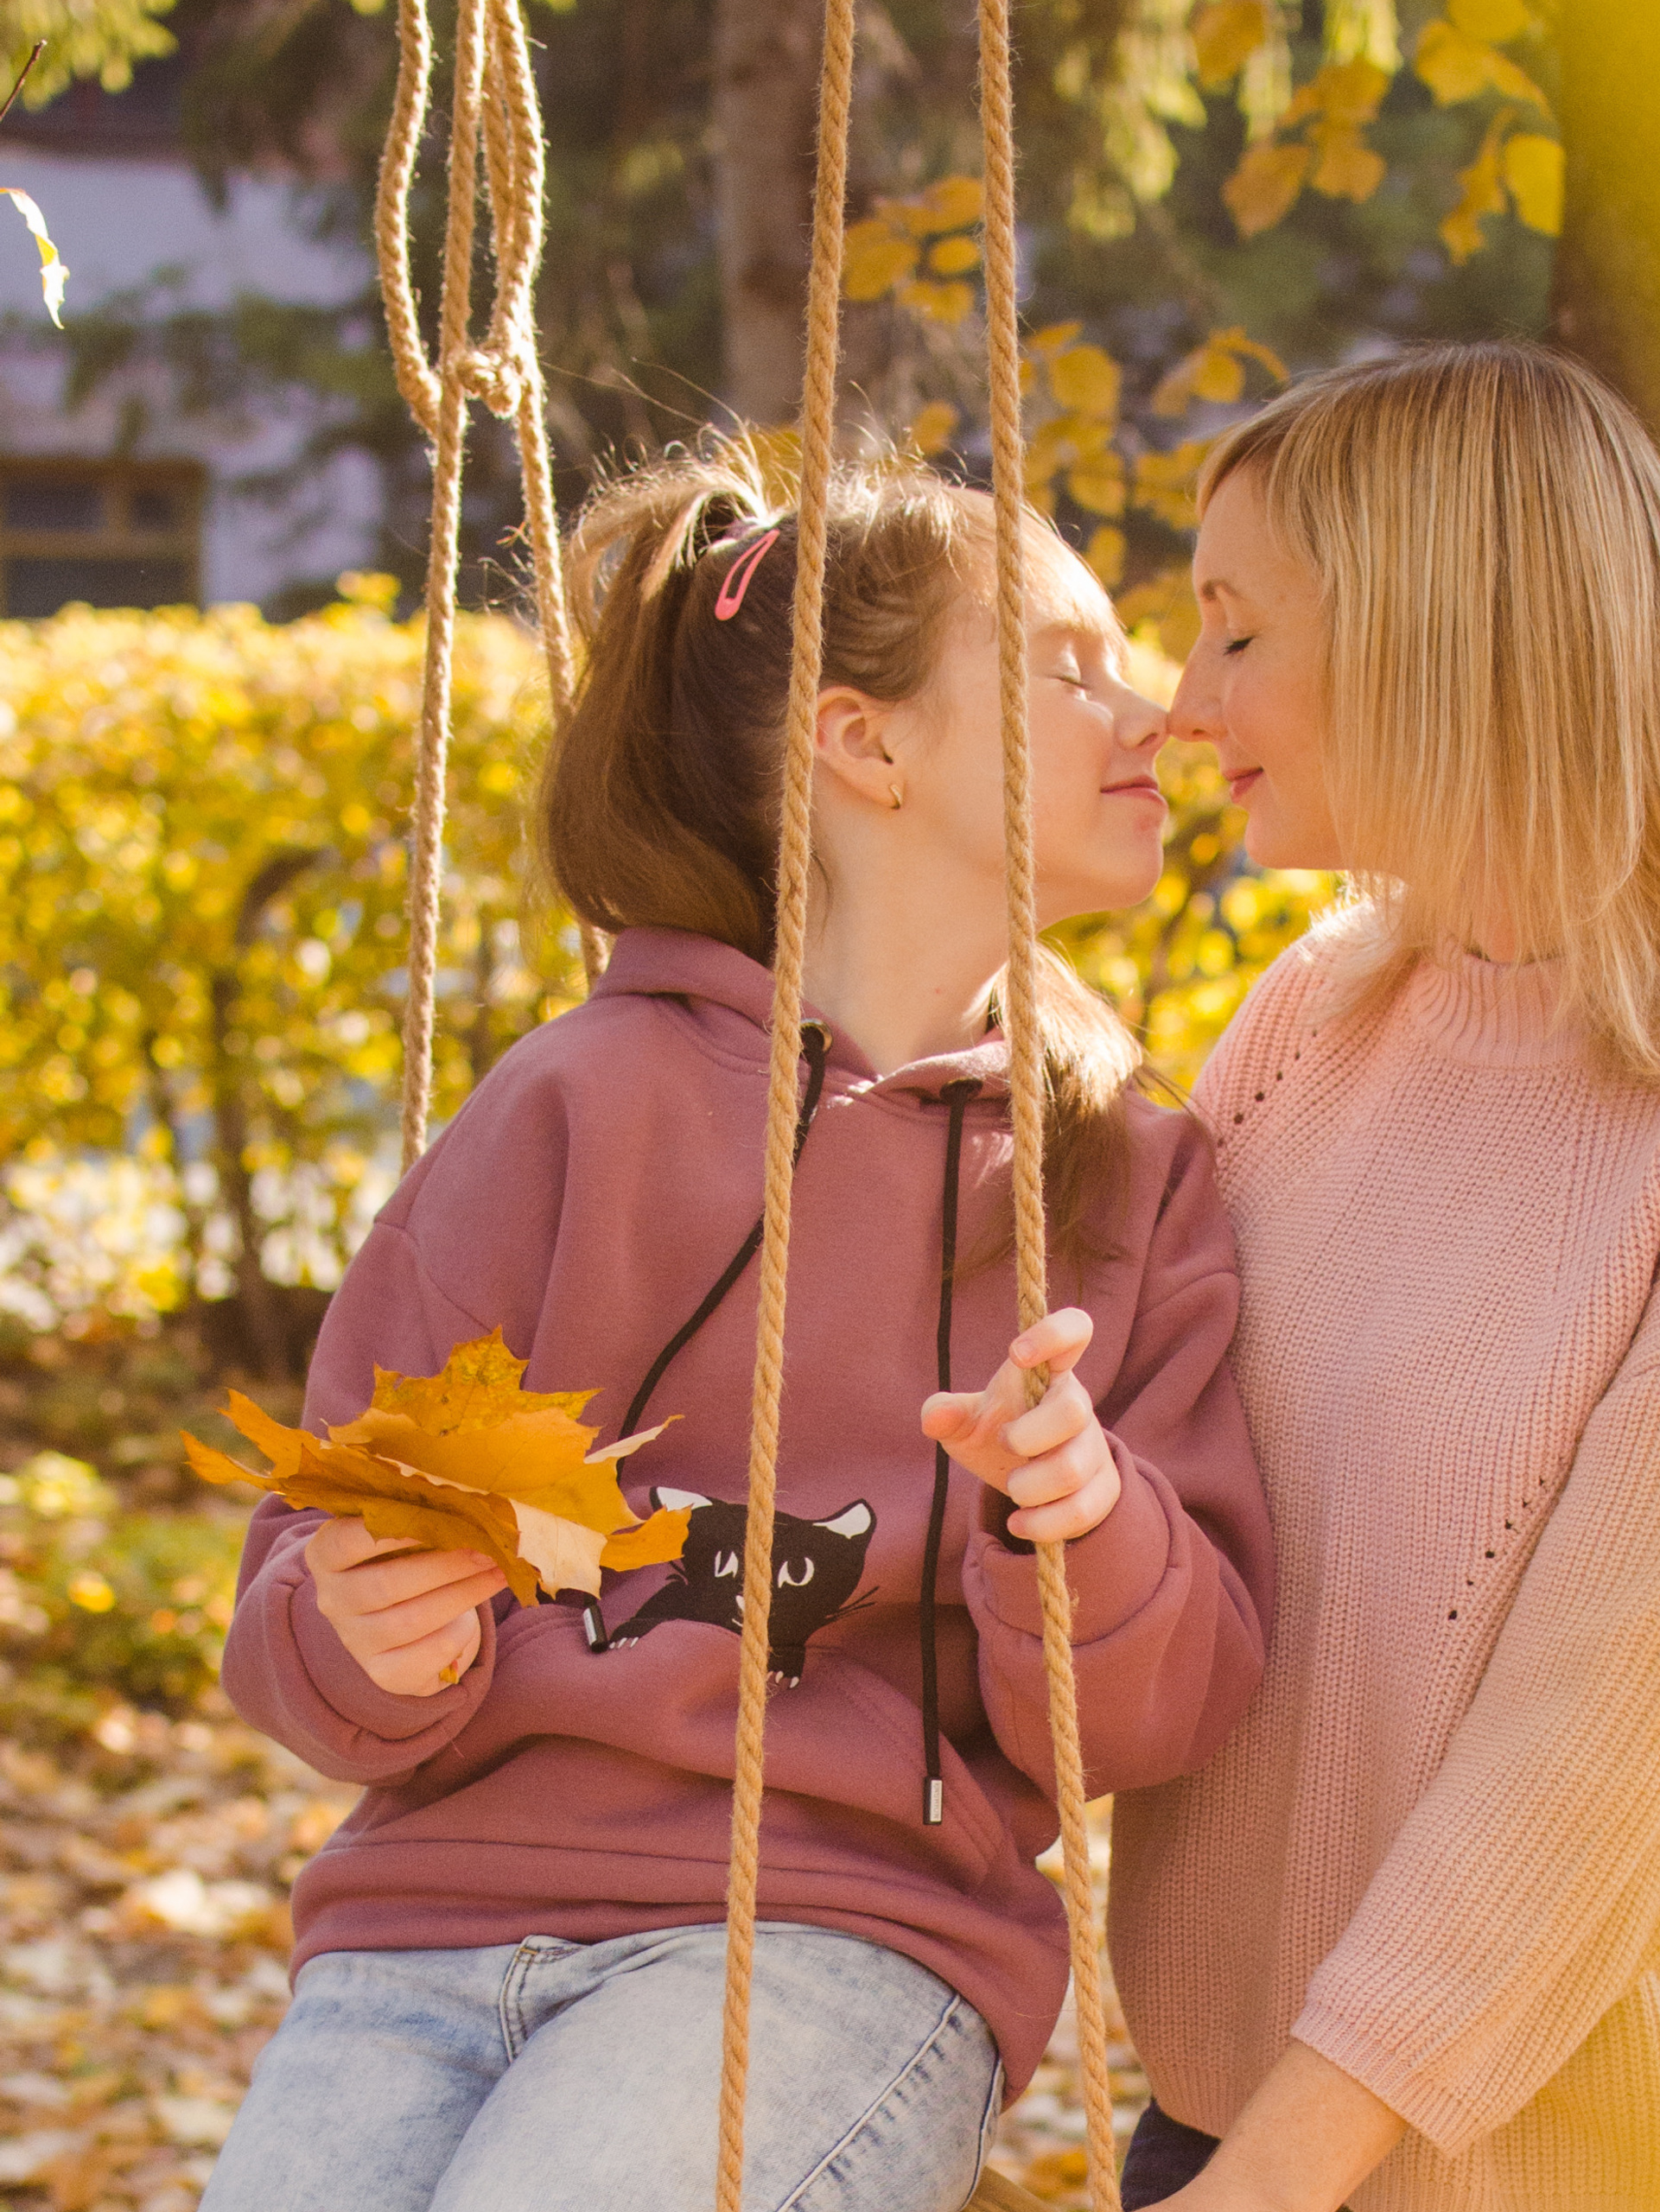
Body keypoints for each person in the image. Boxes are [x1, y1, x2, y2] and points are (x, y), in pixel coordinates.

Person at [204, 448, 1272, 2212]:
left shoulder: (1114, 1179)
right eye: (1075, 664)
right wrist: (364, 1630)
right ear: (865, 743)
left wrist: (1074, 1518)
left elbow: (1157, 1714)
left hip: (833, 1935)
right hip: (426, 1931)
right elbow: (310, 1591)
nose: (1154, 711)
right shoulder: (567, 1109)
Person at [1109, 343, 1660, 2212]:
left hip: (1568, 2174)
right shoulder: (1309, 1020)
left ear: (1441, 638)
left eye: (1238, 633)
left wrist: (1275, 2173)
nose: (1184, 699)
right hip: (1219, 2128)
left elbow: (1612, 1724)